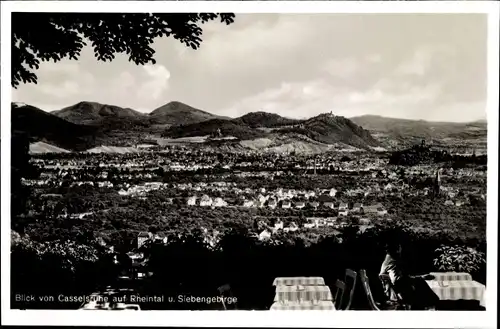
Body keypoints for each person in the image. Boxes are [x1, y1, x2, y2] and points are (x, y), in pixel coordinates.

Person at [379, 241, 439, 310]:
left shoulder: (389, 259)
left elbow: (401, 278)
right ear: (397, 249)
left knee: (421, 285)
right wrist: (421, 277)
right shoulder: (393, 261)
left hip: (396, 292)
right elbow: (399, 280)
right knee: (421, 286)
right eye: (399, 248)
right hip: (398, 294)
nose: (401, 250)